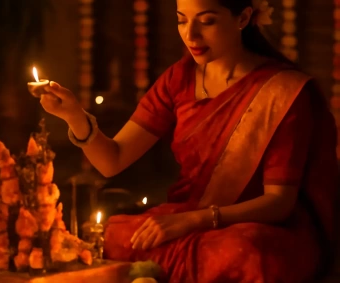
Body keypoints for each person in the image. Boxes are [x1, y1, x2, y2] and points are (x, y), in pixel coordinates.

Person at [33, 0, 338, 282]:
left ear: (244, 17)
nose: (190, 34)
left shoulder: (283, 92)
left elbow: (278, 203)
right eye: (181, 20)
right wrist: (74, 116)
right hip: (187, 218)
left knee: (248, 254)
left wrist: (194, 221)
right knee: (109, 235)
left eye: (206, 21)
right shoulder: (179, 78)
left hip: (257, 227)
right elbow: (111, 160)